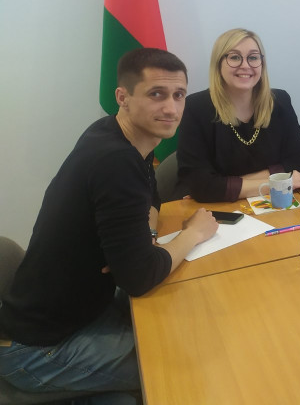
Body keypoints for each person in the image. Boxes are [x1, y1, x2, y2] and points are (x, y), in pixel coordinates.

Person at [0, 49, 218, 402]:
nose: (171, 108)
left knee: (188, 322)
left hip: (82, 312)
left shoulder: (119, 136)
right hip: (38, 350)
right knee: (186, 363)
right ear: (122, 97)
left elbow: (150, 199)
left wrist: (142, 242)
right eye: (156, 94)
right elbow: (139, 278)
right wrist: (193, 233)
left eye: (179, 95)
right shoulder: (115, 160)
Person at [176, 28, 300, 202]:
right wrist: (274, 181)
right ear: (218, 63)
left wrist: (224, 184)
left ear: (262, 64)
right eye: (235, 57)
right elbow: (200, 184)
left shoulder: (279, 100)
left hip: (273, 203)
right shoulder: (196, 107)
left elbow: (299, 159)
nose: (245, 65)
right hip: (219, 209)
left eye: (253, 57)